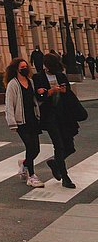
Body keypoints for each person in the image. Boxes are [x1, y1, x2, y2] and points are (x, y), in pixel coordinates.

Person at [42, 53, 80, 189]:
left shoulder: (61, 76)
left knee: (70, 147)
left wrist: (64, 92)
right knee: (59, 146)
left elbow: (69, 95)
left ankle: (55, 163)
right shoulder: (39, 77)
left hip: (64, 116)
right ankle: (65, 177)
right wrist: (47, 92)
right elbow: (38, 96)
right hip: (50, 118)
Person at [4, 55, 43, 187]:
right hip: (21, 121)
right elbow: (9, 105)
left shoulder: (30, 81)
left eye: (26, 67)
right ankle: (31, 175)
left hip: (32, 119)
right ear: (16, 69)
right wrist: (12, 122)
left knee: (36, 149)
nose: (25, 69)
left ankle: (24, 164)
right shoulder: (13, 84)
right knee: (30, 146)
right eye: (22, 68)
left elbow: (35, 99)